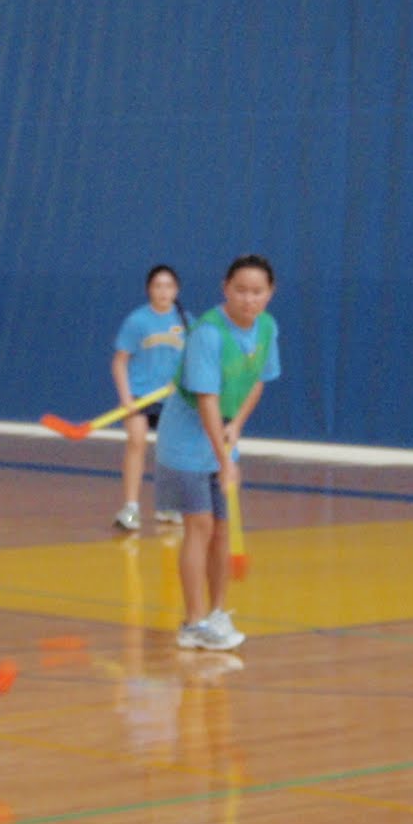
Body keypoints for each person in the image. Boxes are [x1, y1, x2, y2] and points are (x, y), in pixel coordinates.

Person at [153, 255, 280, 652]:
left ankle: (218, 613)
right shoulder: (208, 334)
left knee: (223, 530)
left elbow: (258, 380)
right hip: (186, 440)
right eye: (240, 290)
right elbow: (207, 400)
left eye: (257, 291)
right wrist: (225, 461)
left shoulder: (267, 328)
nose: (249, 299)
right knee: (200, 526)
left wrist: (237, 425)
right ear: (225, 288)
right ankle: (193, 624)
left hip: (222, 433)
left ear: (270, 293)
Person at [110, 264, 189, 532]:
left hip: (172, 399)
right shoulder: (138, 321)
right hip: (140, 395)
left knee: (172, 451)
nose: (163, 291)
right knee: (137, 441)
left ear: (176, 290)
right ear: (149, 289)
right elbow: (119, 362)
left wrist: (183, 381)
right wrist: (126, 398)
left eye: (169, 286)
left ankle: (168, 506)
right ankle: (131, 508)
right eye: (158, 286)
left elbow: (195, 358)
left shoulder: (186, 321)